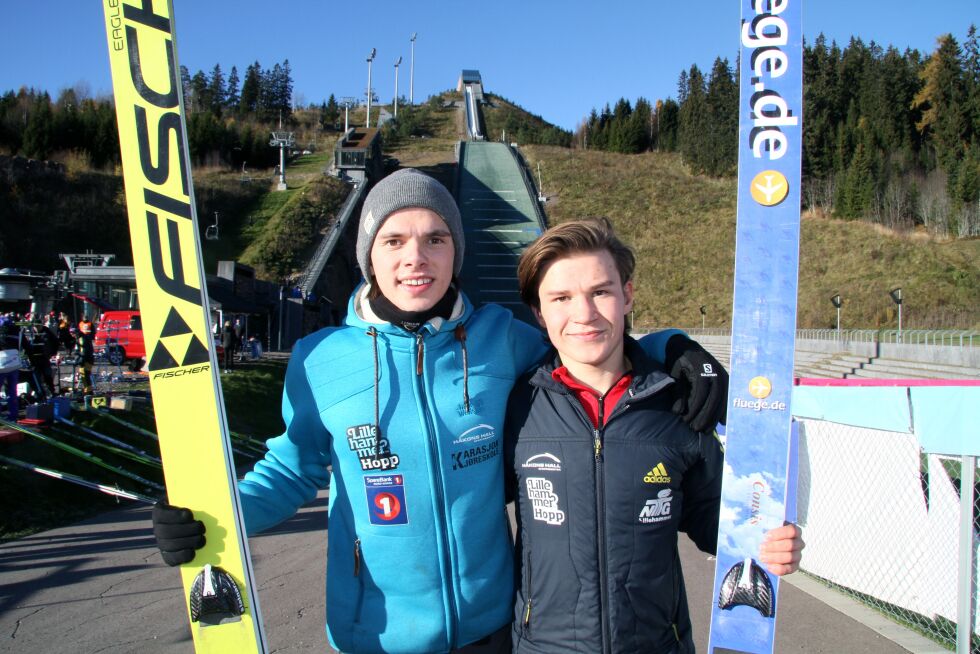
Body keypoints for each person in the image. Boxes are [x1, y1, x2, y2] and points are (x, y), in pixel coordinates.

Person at [152, 170, 729, 654]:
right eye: (394, 240)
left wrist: (671, 347)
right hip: (373, 632)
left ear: (456, 252)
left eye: (435, 239)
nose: (416, 258)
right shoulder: (319, 359)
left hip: (492, 626)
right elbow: (291, 468)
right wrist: (213, 515)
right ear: (368, 257)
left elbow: (586, 343)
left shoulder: (504, 339)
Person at [504, 218, 803, 653]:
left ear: (627, 296)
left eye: (600, 292)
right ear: (539, 312)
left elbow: (715, 518)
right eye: (562, 298)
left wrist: (770, 540)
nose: (584, 314)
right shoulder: (518, 405)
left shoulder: (678, 403)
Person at [0, 316, 21, 421]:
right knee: (12, 391)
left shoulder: (1, 333)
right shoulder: (16, 332)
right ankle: (13, 414)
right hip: (14, 364)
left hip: (2, 365)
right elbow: (25, 346)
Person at [75, 316, 95, 395]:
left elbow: (84, 351)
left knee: (85, 374)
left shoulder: (82, 339)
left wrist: (79, 360)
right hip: (88, 358)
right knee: (84, 375)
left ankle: (88, 391)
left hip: (87, 359)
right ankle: (88, 390)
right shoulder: (80, 337)